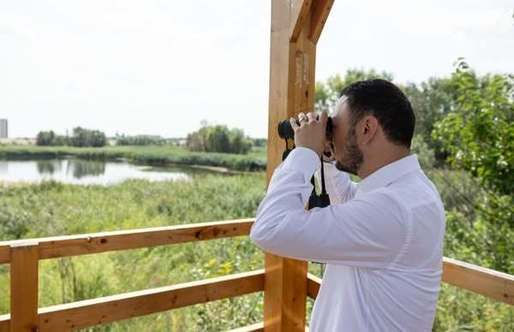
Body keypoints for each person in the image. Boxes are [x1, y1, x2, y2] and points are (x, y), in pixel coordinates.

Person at [250, 79, 445, 331]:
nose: (332, 133)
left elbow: (270, 228)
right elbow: (349, 204)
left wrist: (305, 153)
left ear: (366, 128)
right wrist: (331, 160)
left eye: (336, 125)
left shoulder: (395, 207)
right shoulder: (407, 192)